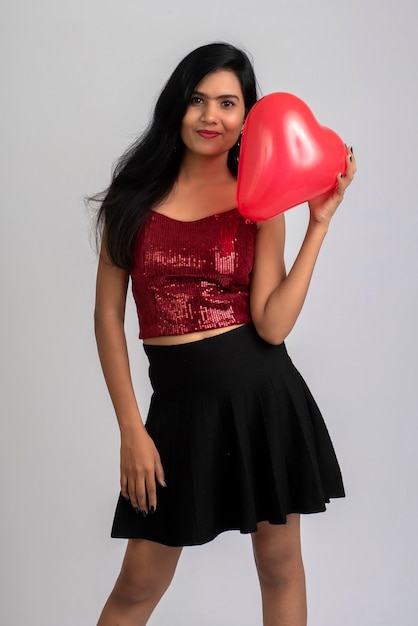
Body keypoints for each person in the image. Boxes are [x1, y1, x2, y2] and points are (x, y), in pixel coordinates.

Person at [93, 42, 356, 626]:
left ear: (247, 117)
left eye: (228, 103)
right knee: (138, 584)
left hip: (262, 397)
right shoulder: (130, 201)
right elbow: (109, 317)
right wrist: (131, 430)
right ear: (176, 108)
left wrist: (318, 226)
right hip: (178, 411)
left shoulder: (259, 203)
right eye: (197, 100)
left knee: (278, 565)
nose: (211, 116)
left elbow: (273, 322)